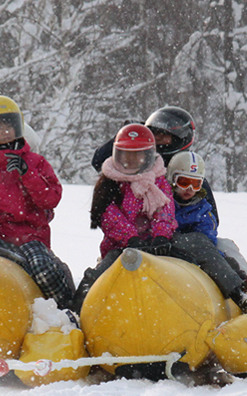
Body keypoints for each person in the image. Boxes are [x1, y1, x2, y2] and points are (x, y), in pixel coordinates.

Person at [0, 95, 75, 310]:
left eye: (9, 125)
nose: (4, 131)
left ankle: (65, 311)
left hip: (30, 237)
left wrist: (27, 174)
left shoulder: (36, 163)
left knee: (43, 271)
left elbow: (51, 199)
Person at [69, 123, 177, 312]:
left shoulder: (158, 180)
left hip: (156, 246)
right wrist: (131, 239)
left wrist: (160, 236)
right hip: (120, 247)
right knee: (99, 277)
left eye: (138, 154)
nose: (132, 159)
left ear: (148, 156)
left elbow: (165, 210)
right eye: (127, 154)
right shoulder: (110, 182)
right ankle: (77, 310)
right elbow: (109, 216)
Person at [166, 151, 247, 314]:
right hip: (167, 245)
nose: (190, 189)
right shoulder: (163, 201)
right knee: (200, 244)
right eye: (184, 182)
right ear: (171, 179)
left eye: (195, 184)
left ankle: (242, 283)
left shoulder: (202, 208)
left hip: (193, 250)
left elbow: (207, 239)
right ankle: (239, 289)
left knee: (220, 253)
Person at [91, 106, 219, 222]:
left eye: (163, 135)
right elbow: (99, 161)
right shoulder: (139, 162)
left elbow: (211, 217)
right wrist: (125, 135)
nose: (157, 138)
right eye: (154, 133)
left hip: (179, 233)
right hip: (136, 232)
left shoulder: (187, 169)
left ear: (179, 139)